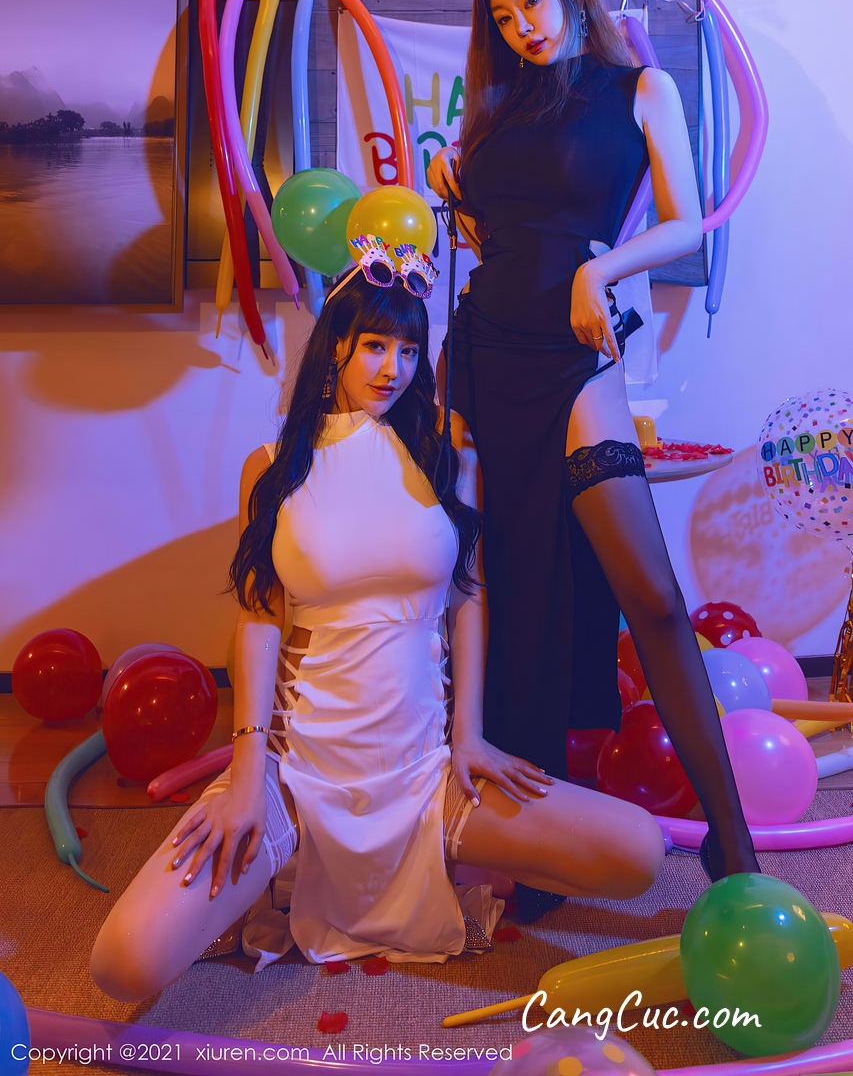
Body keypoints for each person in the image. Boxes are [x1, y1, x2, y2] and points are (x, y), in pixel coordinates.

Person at [90, 245, 663, 1001]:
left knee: (639, 851)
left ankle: (421, 856)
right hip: (296, 774)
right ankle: (289, 862)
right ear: (335, 346)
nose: (392, 368)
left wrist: (469, 737)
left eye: (408, 350)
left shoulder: (447, 447)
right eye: (373, 346)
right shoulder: (271, 465)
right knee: (123, 964)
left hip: (424, 773)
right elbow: (259, 621)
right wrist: (248, 770)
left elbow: (469, 596)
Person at [427, 0, 759, 887]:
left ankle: (730, 839)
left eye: (530, 2)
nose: (521, 26)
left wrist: (602, 269)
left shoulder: (640, 90)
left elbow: (686, 220)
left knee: (647, 591)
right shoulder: (494, 115)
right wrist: (454, 186)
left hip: (575, 352)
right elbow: (498, 239)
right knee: (509, 584)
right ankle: (534, 846)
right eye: (501, 18)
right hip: (486, 351)